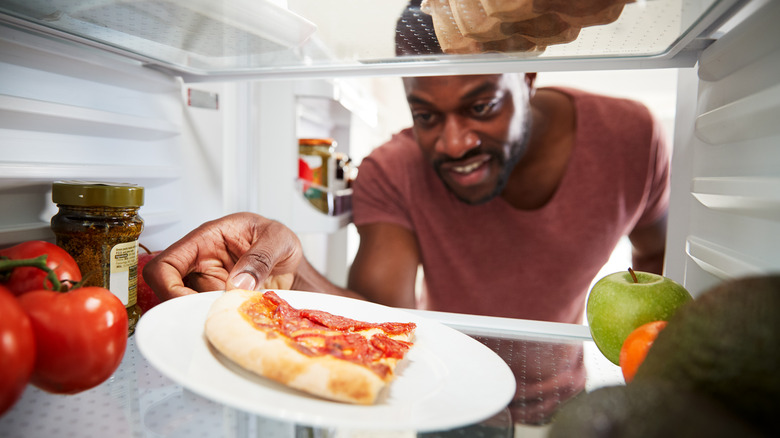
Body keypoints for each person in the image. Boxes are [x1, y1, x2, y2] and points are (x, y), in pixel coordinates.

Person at [143, 72, 669, 425]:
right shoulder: (393, 169)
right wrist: (288, 258)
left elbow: (657, 264)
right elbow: (374, 321)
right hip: (445, 401)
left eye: (481, 106)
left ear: (527, 80)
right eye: (426, 116)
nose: (454, 143)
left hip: (567, 411)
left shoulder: (629, 137)